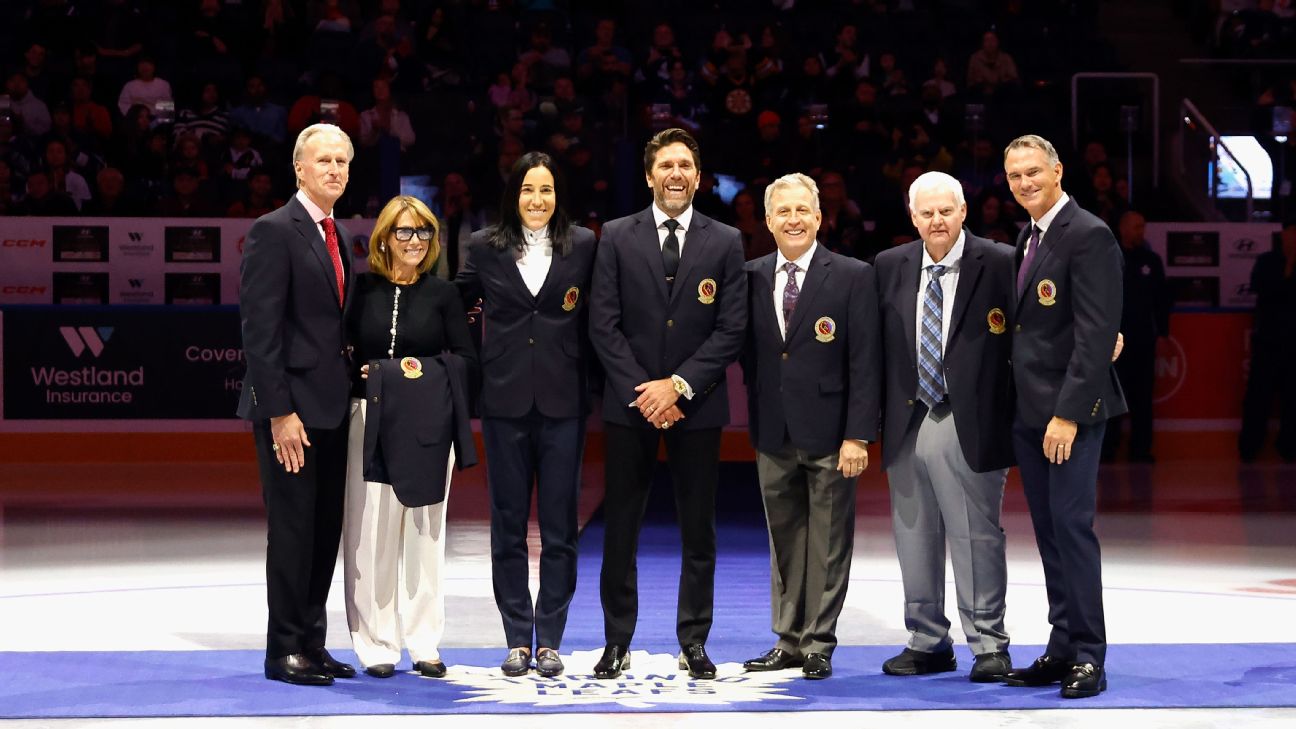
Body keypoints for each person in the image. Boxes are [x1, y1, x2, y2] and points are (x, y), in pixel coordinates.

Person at [589, 127, 746, 680]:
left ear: (698, 179)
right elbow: (603, 324)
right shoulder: (616, 235)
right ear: (649, 175)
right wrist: (647, 391)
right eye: (665, 165)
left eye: (685, 166)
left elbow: (731, 329)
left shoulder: (725, 240)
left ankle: (694, 640)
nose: (675, 174)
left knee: (698, 529)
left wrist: (677, 386)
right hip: (631, 404)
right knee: (621, 528)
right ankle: (616, 642)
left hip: (696, 406)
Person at [455, 152, 596, 678]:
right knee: (507, 525)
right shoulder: (483, 246)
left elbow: (601, 315)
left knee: (560, 528)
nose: (537, 200)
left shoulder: (584, 244)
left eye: (547, 190)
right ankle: (517, 637)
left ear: (559, 195)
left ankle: (550, 640)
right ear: (513, 195)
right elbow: (455, 307)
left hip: (564, 404)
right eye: (528, 190)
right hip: (504, 402)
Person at [873, 171, 1015, 683]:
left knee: (975, 534)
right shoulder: (889, 265)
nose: (937, 220)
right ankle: (927, 641)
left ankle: (989, 644)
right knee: (914, 535)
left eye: (946, 211)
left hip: (968, 416)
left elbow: (1034, 330)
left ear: (963, 212)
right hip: (906, 418)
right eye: (927, 213)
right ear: (912, 217)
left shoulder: (1000, 262)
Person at [739, 173, 880, 681]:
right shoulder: (749, 276)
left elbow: (866, 361)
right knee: (784, 540)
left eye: (803, 210)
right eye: (784, 212)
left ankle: (819, 641)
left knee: (828, 541)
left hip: (833, 435)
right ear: (768, 221)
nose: (794, 220)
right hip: (772, 431)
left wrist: (857, 434)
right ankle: (788, 639)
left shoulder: (852, 275)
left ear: (819, 218)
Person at [1000, 134, 1126, 699]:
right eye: (1015, 176)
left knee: (1072, 529)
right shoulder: (1028, 236)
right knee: (1050, 532)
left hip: (1068, 414)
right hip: (1030, 412)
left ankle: (1090, 656)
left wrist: (1068, 415)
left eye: (1033, 172)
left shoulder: (1089, 234)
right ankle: (1062, 646)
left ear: (1057, 171)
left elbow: (1098, 333)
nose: (1025, 183)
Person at [237, 123, 356, 686]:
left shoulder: (340, 233)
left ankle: (312, 642)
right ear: (299, 169)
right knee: (291, 531)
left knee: (324, 530)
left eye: (342, 161)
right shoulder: (273, 230)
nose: (334, 169)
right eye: (323, 160)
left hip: (332, 409)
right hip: (292, 414)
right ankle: (283, 648)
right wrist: (279, 412)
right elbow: (260, 332)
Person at [342, 195, 477, 679]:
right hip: (369, 421)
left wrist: (407, 373)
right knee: (370, 535)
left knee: (425, 534)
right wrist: (362, 375)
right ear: (383, 239)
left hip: (428, 425)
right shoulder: (362, 290)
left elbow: (466, 360)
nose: (415, 241)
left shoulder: (443, 295)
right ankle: (376, 643)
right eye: (404, 231)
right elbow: (341, 352)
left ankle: (424, 642)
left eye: (423, 232)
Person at [1105, 210, 1170, 462]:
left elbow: (1161, 300)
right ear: (1123, 228)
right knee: (1111, 395)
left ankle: (1141, 449)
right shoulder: (1108, 257)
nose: (1141, 231)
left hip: (1143, 339)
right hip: (1112, 341)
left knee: (1142, 396)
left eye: (1143, 226)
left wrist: (1163, 334)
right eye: (1136, 227)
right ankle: (1108, 449)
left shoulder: (1151, 261)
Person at [1239, 219, 1296, 462]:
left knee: (1292, 399)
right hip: (1268, 342)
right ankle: (1249, 448)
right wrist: (1289, 267)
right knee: (1258, 398)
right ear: (1284, 234)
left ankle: (1289, 448)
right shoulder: (1266, 262)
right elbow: (1264, 291)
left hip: (1294, 345)